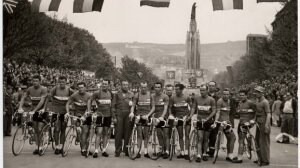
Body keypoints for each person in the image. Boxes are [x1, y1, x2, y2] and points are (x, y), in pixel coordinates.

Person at [18, 75, 48, 155]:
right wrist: (20, 107)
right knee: (35, 129)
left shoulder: (43, 89)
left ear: (40, 81)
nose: (35, 82)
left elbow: (42, 101)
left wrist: (34, 110)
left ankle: (41, 147)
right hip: (34, 110)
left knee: (39, 128)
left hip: (42, 110)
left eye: (36, 81)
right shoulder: (29, 89)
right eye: (33, 81)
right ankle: (37, 146)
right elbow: (23, 97)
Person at [46, 76, 73, 154]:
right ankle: (57, 146)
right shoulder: (54, 89)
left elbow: (75, 97)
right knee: (57, 129)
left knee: (63, 129)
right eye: (60, 82)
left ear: (66, 82)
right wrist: (48, 108)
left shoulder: (69, 89)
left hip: (64, 112)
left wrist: (71, 105)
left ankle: (61, 146)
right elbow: (48, 98)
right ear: (58, 82)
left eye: (63, 82)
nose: (61, 83)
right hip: (56, 111)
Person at [87, 79, 113, 158]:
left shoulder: (111, 93)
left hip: (108, 115)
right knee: (99, 132)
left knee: (105, 133)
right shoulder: (97, 93)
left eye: (106, 84)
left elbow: (112, 104)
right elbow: (89, 100)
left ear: (108, 85)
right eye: (103, 84)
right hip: (99, 115)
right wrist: (89, 110)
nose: (104, 85)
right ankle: (96, 151)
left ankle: (104, 150)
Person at [190, 85, 216, 162]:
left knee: (205, 138)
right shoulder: (197, 98)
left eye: (203, 90)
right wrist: (191, 115)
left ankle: (204, 153)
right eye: (201, 90)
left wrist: (208, 118)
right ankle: (198, 155)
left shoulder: (211, 99)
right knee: (200, 138)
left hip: (208, 121)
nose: (202, 92)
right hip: (199, 121)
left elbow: (214, 111)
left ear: (207, 90)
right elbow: (194, 108)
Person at [129, 81, 154, 158]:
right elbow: (133, 105)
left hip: (147, 116)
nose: (143, 88)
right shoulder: (137, 95)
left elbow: (153, 107)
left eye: (145, 87)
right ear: (140, 87)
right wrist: (132, 112)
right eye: (142, 87)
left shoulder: (150, 95)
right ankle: (138, 151)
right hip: (139, 116)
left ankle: (146, 151)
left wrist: (148, 115)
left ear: (147, 87)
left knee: (146, 135)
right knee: (139, 134)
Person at [66, 82, 91, 156]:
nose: (80, 89)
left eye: (82, 87)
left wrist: (85, 115)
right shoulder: (74, 95)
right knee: (83, 132)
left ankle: (86, 148)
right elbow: (67, 103)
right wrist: (67, 112)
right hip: (77, 115)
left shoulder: (89, 95)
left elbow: (89, 108)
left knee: (86, 132)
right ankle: (83, 149)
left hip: (86, 114)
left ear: (85, 88)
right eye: (79, 88)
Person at [145, 82, 169, 158]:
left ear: (161, 88)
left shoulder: (165, 96)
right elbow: (153, 108)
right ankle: (161, 150)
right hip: (156, 117)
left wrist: (162, 117)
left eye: (159, 87)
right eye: (156, 87)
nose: (157, 88)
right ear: (154, 88)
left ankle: (167, 151)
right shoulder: (152, 96)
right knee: (159, 134)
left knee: (165, 134)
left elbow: (165, 108)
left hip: (164, 117)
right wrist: (148, 115)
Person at [212, 88, 236, 162]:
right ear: (222, 95)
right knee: (229, 137)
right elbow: (218, 112)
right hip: (220, 122)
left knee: (232, 138)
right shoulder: (220, 101)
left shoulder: (229, 101)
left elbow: (227, 113)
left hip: (226, 122)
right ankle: (220, 146)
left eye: (227, 94)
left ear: (229, 95)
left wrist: (229, 121)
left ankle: (230, 154)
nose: (226, 96)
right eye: (224, 94)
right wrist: (216, 121)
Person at [169, 83, 192, 160]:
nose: (176, 91)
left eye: (178, 89)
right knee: (180, 136)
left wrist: (189, 116)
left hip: (186, 118)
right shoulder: (172, 98)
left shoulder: (187, 97)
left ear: (182, 89)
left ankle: (186, 152)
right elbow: (170, 108)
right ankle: (182, 152)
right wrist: (171, 115)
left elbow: (192, 108)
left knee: (187, 135)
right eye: (175, 89)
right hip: (178, 118)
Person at [232, 90, 256, 163]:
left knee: (241, 140)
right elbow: (238, 113)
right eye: (240, 95)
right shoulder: (239, 103)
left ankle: (239, 158)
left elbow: (256, 112)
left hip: (248, 123)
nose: (241, 96)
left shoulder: (250, 103)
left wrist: (253, 120)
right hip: (241, 123)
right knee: (240, 139)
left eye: (243, 95)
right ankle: (246, 146)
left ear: (246, 95)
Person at [112, 80, 134, 157]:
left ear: (128, 85)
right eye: (123, 85)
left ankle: (127, 150)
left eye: (126, 84)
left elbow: (133, 105)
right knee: (118, 133)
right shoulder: (117, 94)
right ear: (121, 85)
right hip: (119, 113)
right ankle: (117, 151)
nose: (125, 86)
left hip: (128, 114)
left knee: (128, 132)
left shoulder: (131, 94)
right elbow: (113, 106)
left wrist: (132, 112)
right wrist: (114, 117)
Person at [253, 86, 271, 166]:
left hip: (264, 123)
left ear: (262, 93)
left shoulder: (265, 102)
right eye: (256, 92)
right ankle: (260, 158)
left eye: (258, 92)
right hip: (258, 123)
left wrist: (267, 125)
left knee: (264, 142)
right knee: (257, 140)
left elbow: (268, 114)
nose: (256, 93)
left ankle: (265, 160)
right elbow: (257, 113)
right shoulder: (258, 101)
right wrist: (254, 120)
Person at [207, 81, 220, 157]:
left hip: (215, 118)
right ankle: (203, 150)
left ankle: (211, 150)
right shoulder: (205, 95)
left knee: (213, 135)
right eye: (210, 86)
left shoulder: (218, 97)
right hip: (206, 117)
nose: (211, 87)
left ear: (215, 87)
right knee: (205, 134)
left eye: (213, 86)